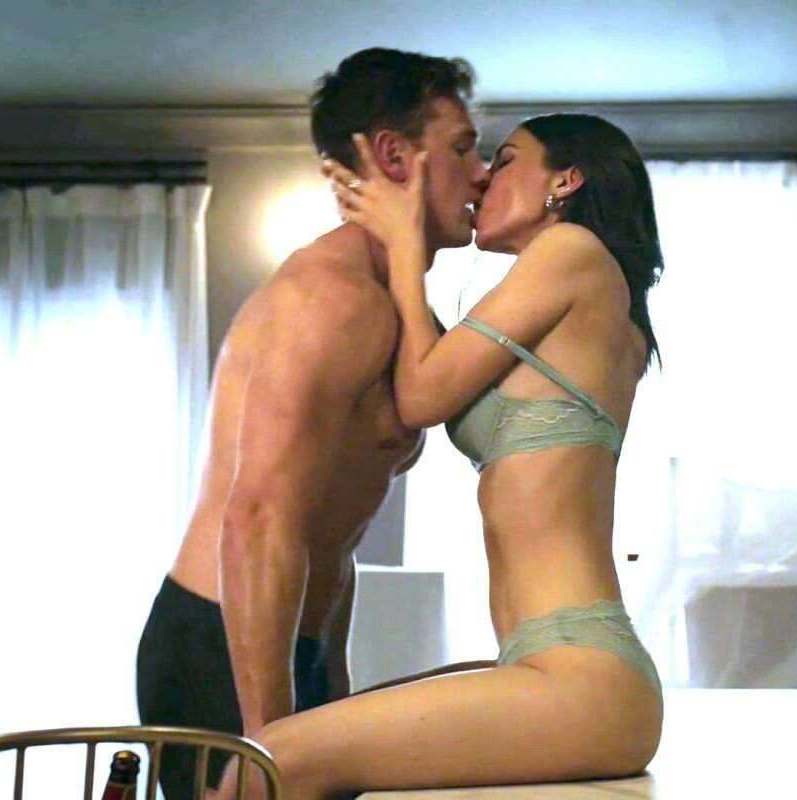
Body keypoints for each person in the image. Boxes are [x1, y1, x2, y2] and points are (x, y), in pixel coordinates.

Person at [215, 112, 667, 800]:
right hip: (554, 668)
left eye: (506, 160)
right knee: (295, 744)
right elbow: (426, 372)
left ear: (566, 181)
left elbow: (423, 393)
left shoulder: (571, 250)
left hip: (582, 675)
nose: (485, 178)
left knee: (269, 762)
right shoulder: (580, 292)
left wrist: (403, 243)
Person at [135, 47, 491, 799]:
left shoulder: (396, 304)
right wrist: (272, 746)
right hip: (220, 646)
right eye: (463, 149)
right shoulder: (331, 298)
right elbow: (259, 518)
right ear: (395, 156)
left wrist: (331, 670)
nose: (482, 174)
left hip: (294, 639)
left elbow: (335, 525)